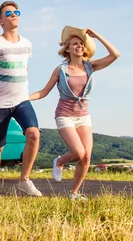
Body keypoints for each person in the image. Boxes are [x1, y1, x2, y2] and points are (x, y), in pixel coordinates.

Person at [29, 26, 120, 200]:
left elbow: (115, 55)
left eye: (81, 44)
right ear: (67, 49)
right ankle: (60, 161)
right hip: (65, 116)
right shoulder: (61, 70)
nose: (79, 46)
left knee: (87, 157)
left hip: (84, 116)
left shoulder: (90, 66)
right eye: (75, 44)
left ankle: (74, 193)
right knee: (78, 152)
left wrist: (97, 36)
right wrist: (25, 98)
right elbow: (44, 91)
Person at [0, 1, 43, 197]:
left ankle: (24, 180)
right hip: (0, 103)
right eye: (9, 13)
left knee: (34, 134)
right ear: (0, 21)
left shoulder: (27, 44)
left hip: (22, 100)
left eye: (16, 12)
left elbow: (24, 67)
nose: (14, 15)